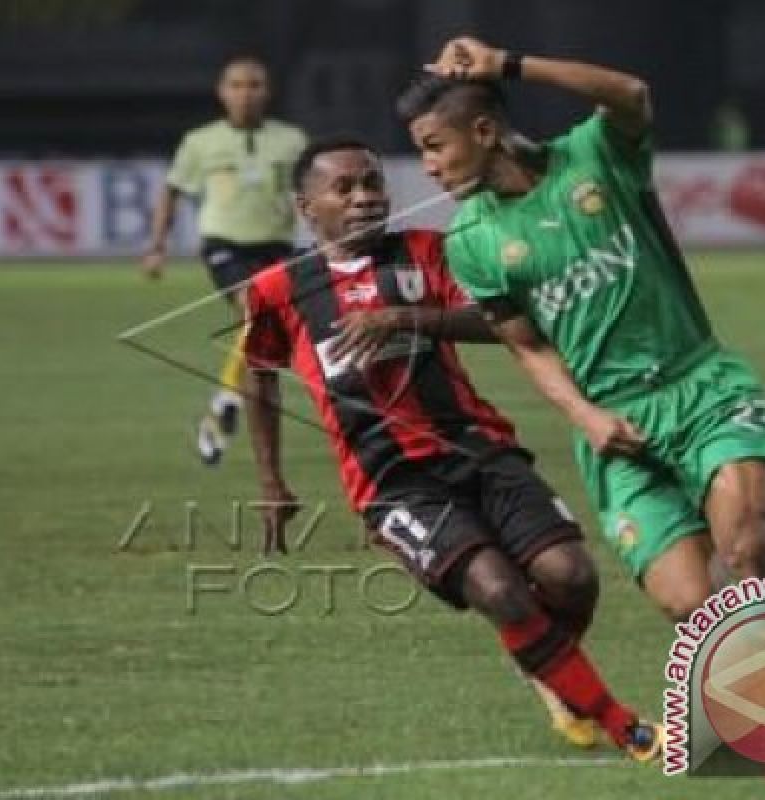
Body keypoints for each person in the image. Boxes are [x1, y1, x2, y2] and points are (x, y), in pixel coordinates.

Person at [242, 137, 662, 760]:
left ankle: (544, 666)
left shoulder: (426, 253)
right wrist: (272, 481)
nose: (365, 197)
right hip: (391, 482)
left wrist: (407, 318)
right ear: (308, 207)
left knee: (570, 578)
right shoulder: (280, 288)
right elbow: (257, 371)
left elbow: (503, 321)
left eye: (373, 183)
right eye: (345, 188)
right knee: (499, 591)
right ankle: (619, 721)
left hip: (478, 447)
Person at [397, 38, 765, 626]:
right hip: (615, 425)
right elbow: (527, 346)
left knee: (749, 551)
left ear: (483, 131)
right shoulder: (470, 242)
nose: (429, 166)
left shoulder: (594, 155)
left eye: (435, 146)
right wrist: (587, 417)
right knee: (692, 602)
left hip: (703, 391)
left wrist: (510, 65)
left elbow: (631, 93)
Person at [143, 56, 307, 466]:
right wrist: (157, 245)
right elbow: (171, 190)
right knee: (254, 309)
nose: (246, 93)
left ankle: (223, 404)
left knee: (268, 336)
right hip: (225, 245)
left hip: (277, 247)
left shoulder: (292, 140)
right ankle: (228, 397)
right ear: (222, 92)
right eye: (237, 85)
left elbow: (312, 193)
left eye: (255, 85)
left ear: (267, 92)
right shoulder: (200, 141)